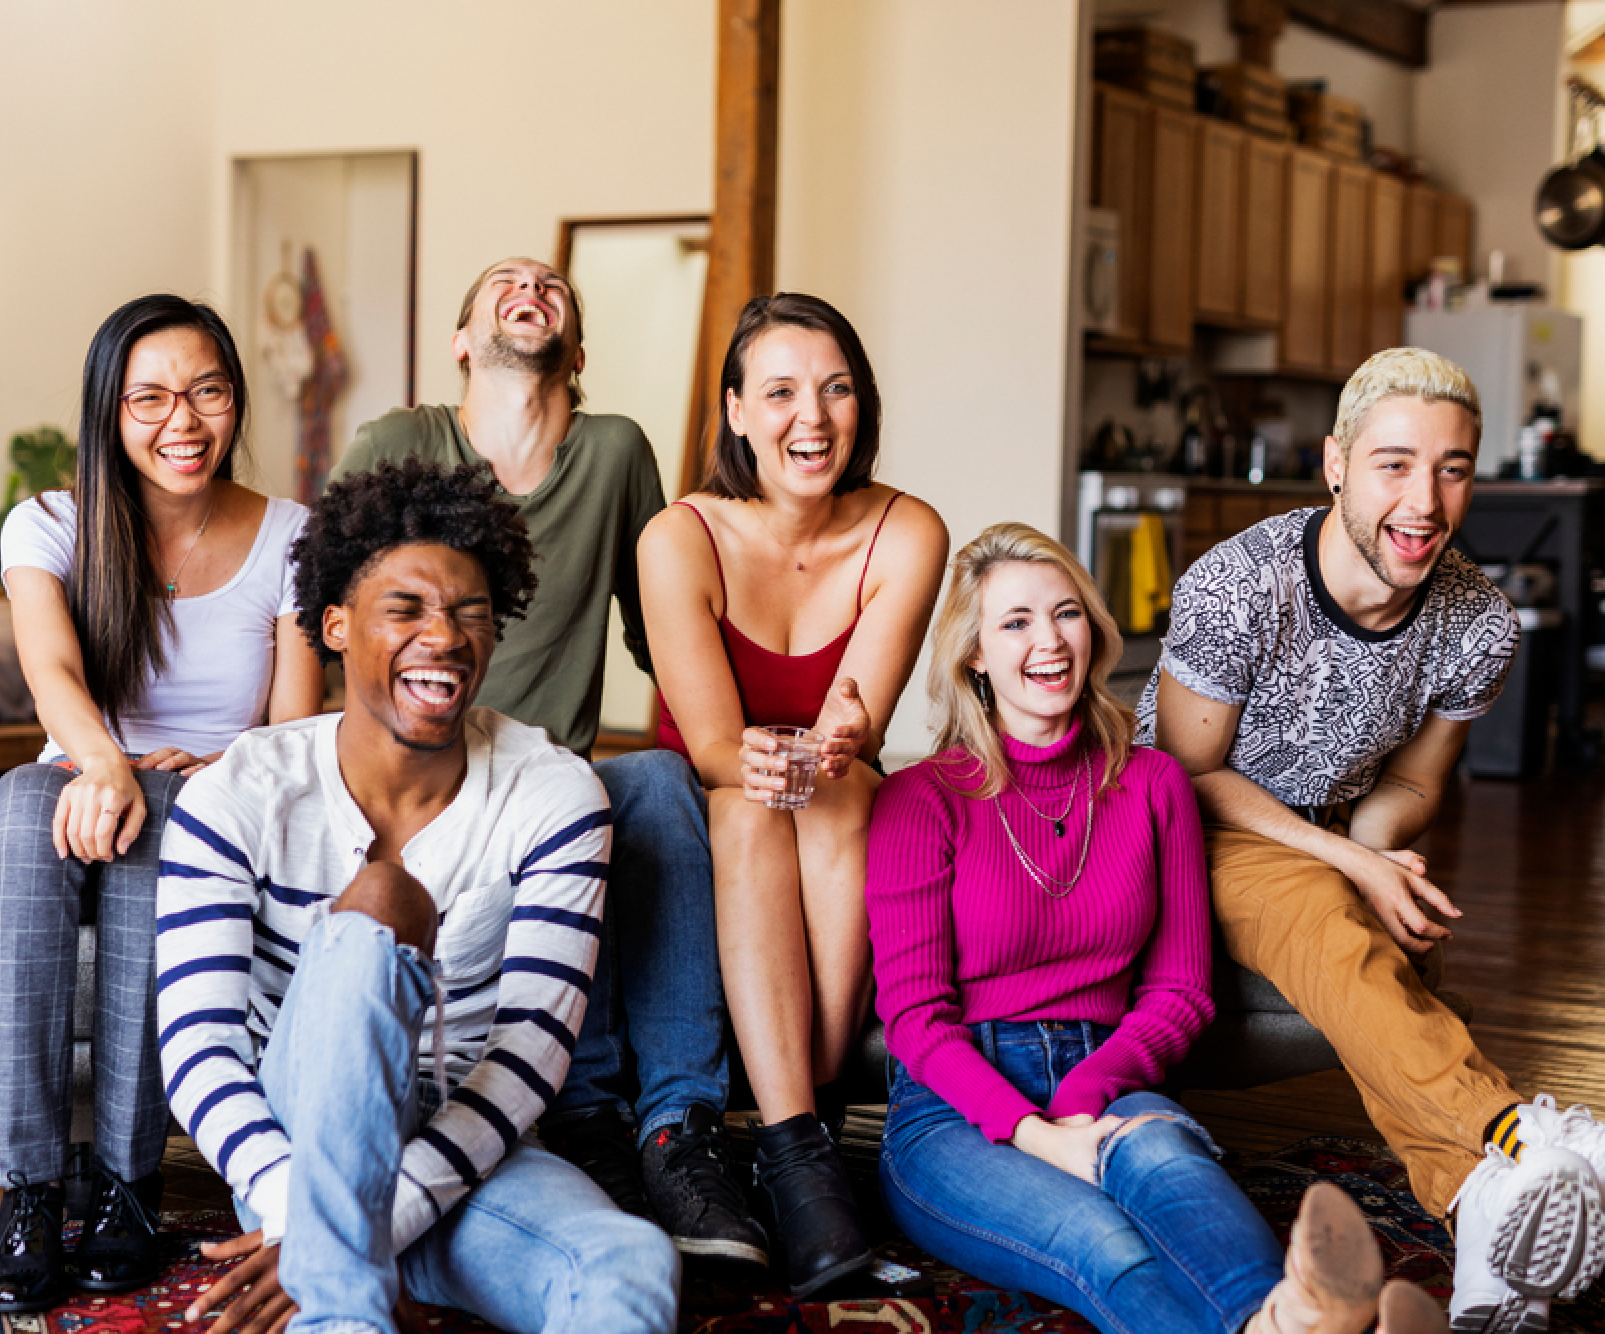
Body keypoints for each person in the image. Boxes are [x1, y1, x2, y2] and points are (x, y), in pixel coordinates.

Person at [1140, 347, 1605, 1333]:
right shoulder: (1239, 585)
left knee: (1398, 931)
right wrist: (1348, 862)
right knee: (1323, 903)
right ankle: (1525, 1134)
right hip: (1179, 827)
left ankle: (1478, 1218)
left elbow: (1408, 784)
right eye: (1392, 463)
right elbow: (1183, 772)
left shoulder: (1476, 618)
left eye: (1450, 467)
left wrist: (1376, 851)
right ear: (1334, 465)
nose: (1423, 497)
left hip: (1316, 831)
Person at [866, 522, 1445, 1334]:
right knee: (1105, 1245)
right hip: (953, 1110)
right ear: (974, 656)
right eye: (1016, 622)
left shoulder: (1152, 783)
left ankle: (1286, 1320)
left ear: (1095, 630)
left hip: (1112, 1072)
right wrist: (1040, 1133)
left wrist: (1087, 1093)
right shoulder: (918, 801)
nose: (1049, 641)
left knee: (1168, 1167)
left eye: (1066, 614)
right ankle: (1288, 1323)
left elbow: (1180, 992)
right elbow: (917, 1022)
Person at [157, 458, 680, 1334]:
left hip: (467, 1150)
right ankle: (342, 1320)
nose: (443, 636)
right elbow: (198, 1048)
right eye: (405, 609)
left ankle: (332, 1284)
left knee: (630, 1262)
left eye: (470, 612)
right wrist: (303, 1205)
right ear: (335, 625)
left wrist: (341, 1234)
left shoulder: (552, 793)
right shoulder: (239, 791)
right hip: (300, 1152)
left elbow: (528, 1057)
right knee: (385, 904)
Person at [330, 257, 760, 1265]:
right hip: (425, 782)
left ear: (576, 350)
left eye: (553, 284)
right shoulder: (400, 441)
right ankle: (584, 1123)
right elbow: (329, 619)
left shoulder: (613, 453)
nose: (532, 282)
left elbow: (664, 634)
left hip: (556, 779)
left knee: (652, 783)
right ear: (461, 341)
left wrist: (747, 744)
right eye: (502, 280)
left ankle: (676, 1134)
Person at [0, 294, 325, 1311]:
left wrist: (188, 771)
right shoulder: (47, 523)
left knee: (160, 814)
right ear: (110, 411)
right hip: (76, 787)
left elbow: (289, 728)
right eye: (152, 398)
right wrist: (109, 763)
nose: (184, 420)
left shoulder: (292, 534)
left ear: (235, 397)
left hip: (215, 796)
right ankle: (31, 1189)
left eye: (207, 391)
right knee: (10, 801)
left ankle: (128, 1181)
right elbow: (50, 671)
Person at [639, 292, 949, 1296]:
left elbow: (854, 719)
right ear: (733, 410)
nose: (809, 419)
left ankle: (790, 1131)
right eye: (777, 392)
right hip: (709, 794)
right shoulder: (676, 537)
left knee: (839, 789)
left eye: (834, 390)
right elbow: (715, 744)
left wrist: (845, 728)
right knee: (747, 802)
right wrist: (762, 763)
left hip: (831, 790)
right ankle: (800, 1151)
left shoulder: (906, 530)